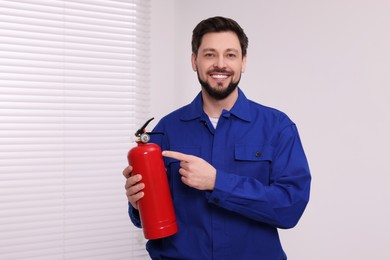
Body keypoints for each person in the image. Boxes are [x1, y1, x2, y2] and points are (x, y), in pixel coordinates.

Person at [123, 16, 311, 260]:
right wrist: (138, 204)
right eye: (210, 54)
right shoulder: (166, 130)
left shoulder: (277, 127)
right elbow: (151, 218)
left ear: (243, 62)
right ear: (194, 61)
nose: (220, 64)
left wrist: (217, 182)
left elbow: (290, 208)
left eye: (230, 55)